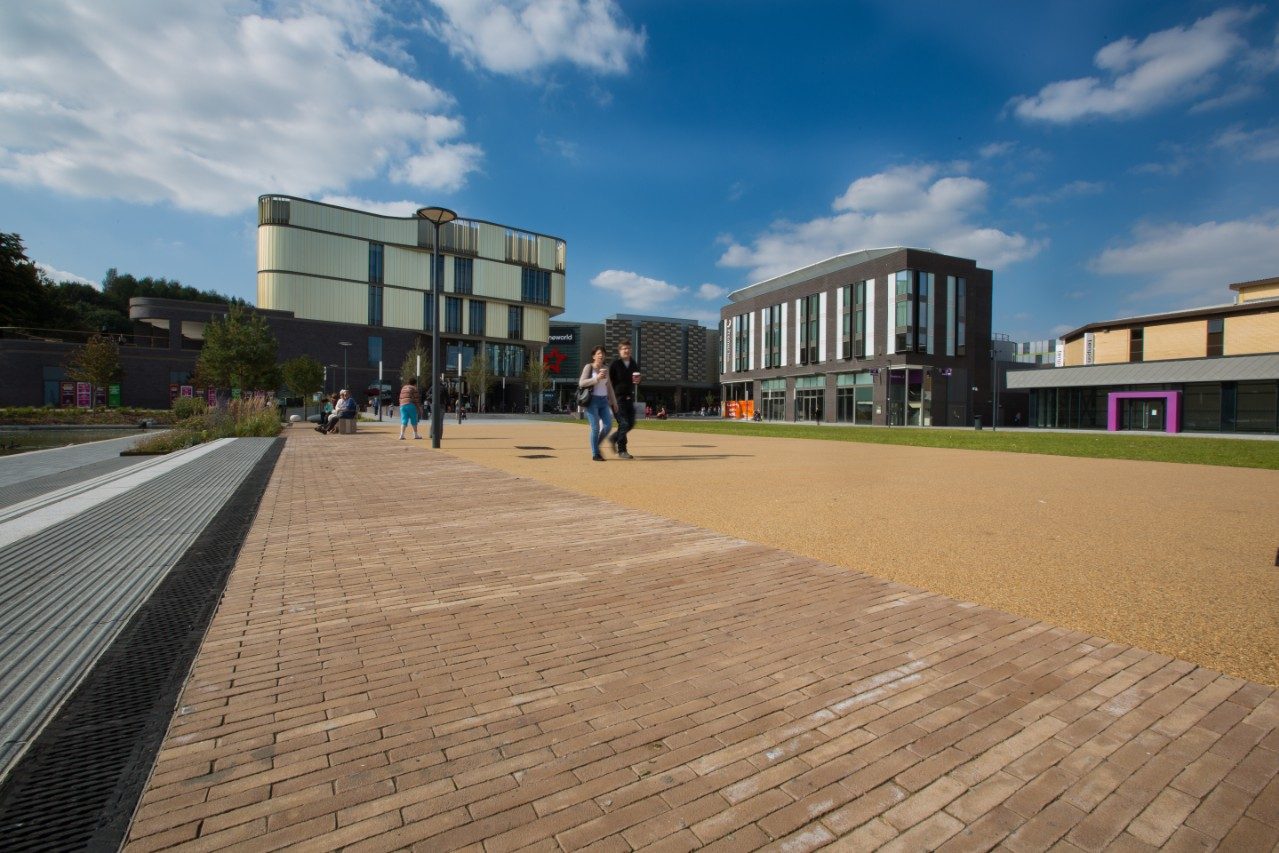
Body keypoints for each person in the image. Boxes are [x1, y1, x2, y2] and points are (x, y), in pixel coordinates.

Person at [578, 345, 617, 461]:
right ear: (594, 356)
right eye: (599, 353)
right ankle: (595, 453)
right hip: (592, 401)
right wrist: (597, 378)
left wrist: (614, 402)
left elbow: (609, 387)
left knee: (608, 426)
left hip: (604, 401)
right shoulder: (588, 367)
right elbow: (581, 383)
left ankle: (596, 444)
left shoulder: (607, 368)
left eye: (603, 354)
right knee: (595, 428)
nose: (601, 355)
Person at [607, 341, 640, 459]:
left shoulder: (633, 364)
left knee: (630, 424)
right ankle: (622, 450)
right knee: (624, 423)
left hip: (629, 397)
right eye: (624, 348)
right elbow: (608, 382)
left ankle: (613, 438)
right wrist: (610, 399)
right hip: (617, 398)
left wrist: (638, 380)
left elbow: (636, 379)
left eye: (628, 348)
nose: (626, 350)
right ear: (619, 351)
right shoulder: (615, 364)